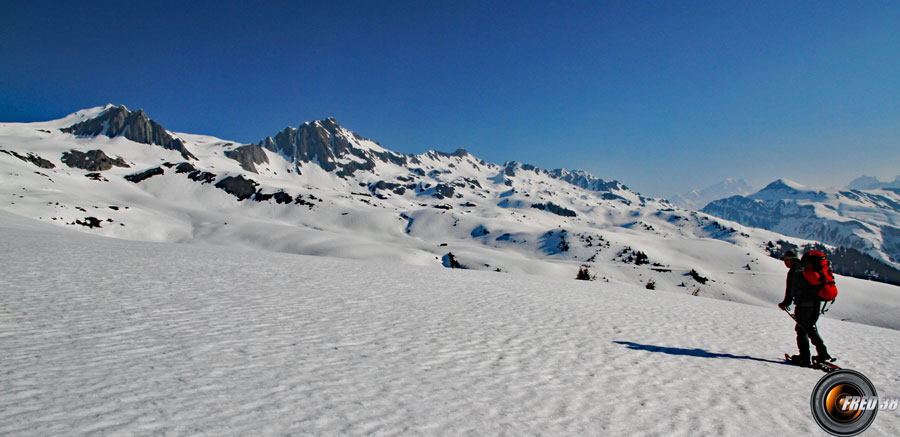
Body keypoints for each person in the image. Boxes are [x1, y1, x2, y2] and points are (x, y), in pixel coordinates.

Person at [778, 250, 831, 366]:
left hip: (804, 305)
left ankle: (804, 357)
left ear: (791, 259)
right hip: (816, 303)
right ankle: (823, 353)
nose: (785, 263)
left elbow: (791, 289)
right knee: (810, 328)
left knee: (801, 330)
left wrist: (785, 303)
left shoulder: (795, 271)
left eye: (786, 260)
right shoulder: (807, 267)